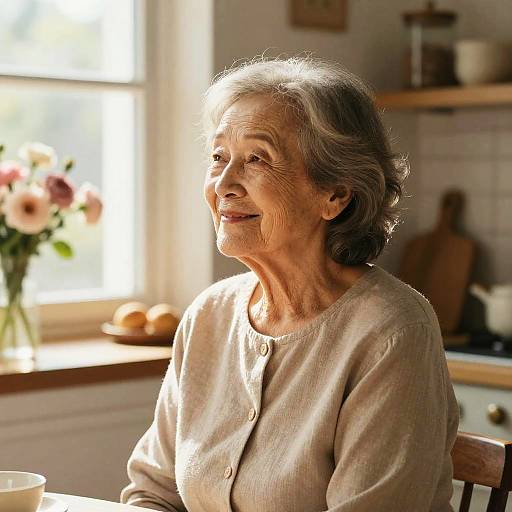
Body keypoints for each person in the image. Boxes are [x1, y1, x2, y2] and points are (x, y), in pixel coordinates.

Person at [120, 57, 459, 512]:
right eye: (219, 157)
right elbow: (153, 491)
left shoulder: (392, 334)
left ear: (335, 194)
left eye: (257, 159)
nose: (223, 184)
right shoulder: (210, 315)